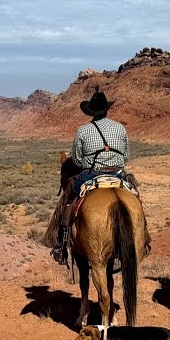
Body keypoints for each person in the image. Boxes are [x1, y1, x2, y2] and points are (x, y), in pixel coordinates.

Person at [44, 89, 131, 265]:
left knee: (69, 199)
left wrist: (89, 162)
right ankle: (144, 240)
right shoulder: (120, 128)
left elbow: (77, 159)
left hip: (92, 174)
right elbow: (126, 156)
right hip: (117, 173)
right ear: (107, 109)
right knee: (134, 195)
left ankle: (61, 244)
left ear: (91, 111)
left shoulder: (83, 131)